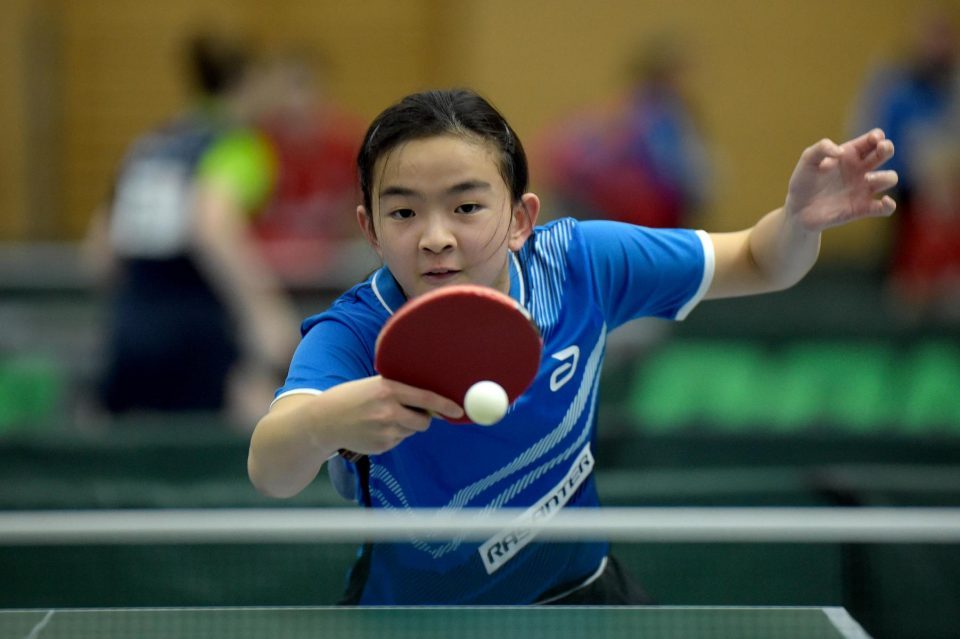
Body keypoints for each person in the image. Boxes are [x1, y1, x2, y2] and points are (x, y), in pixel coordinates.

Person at [247, 89, 897, 605]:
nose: (435, 236)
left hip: (583, 598)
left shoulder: (580, 265)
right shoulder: (355, 332)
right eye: (404, 212)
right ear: (369, 229)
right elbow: (269, 467)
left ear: (520, 218)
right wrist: (324, 422)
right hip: (417, 618)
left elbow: (758, 259)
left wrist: (797, 223)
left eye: (466, 208)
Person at [86, 33, 299, 423]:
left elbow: (101, 248)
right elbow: (211, 223)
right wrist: (263, 313)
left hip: (131, 321)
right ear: (249, 80)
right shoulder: (237, 144)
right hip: (197, 326)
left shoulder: (152, 142)